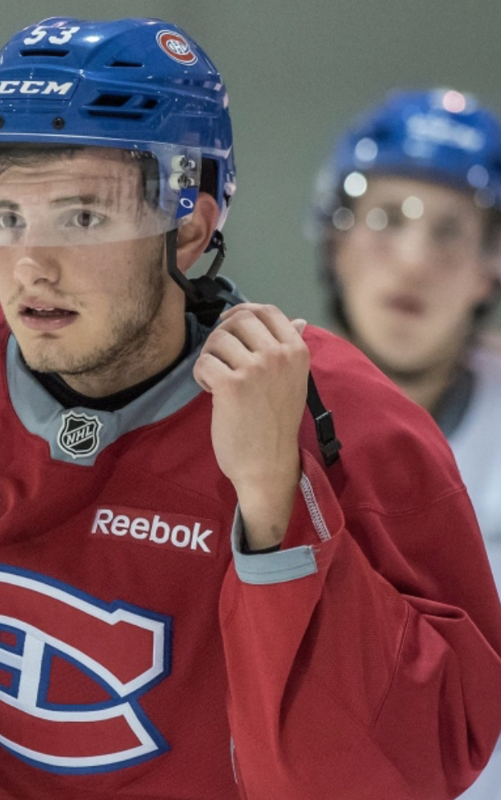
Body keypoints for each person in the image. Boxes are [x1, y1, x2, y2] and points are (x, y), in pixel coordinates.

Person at [0, 18, 501, 800]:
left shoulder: (357, 426)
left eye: (82, 216)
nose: (32, 265)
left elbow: (395, 777)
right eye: (6, 216)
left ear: (189, 228)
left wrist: (272, 502)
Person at [311, 86, 501, 800]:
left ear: (493, 264)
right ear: (335, 238)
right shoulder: (247, 401)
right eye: (386, 219)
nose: (414, 260)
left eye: (450, 230)